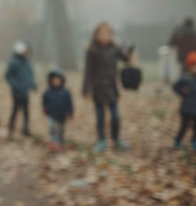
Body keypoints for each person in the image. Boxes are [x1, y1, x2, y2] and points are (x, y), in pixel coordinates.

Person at [82, 22, 134, 152]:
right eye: (101, 33)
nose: (104, 36)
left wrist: (128, 49)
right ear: (96, 35)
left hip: (112, 87)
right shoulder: (92, 50)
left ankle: (116, 139)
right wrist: (85, 88)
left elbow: (126, 59)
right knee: (100, 116)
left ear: (111, 36)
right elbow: (88, 71)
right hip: (98, 87)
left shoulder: (115, 48)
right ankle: (101, 141)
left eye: (107, 33)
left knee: (115, 116)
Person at [5, 39, 37, 139]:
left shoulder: (27, 62)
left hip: (25, 92)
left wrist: (33, 84)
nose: (27, 53)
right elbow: (8, 75)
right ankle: (11, 129)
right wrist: (16, 85)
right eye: (25, 51)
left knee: (26, 111)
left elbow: (30, 75)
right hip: (17, 92)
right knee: (15, 110)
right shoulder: (14, 62)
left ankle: (26, 130)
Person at [42, 68, 74, 152]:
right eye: (54, 80)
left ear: (62, 80)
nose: (56, 82)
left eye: (58, 80)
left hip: (62, 114)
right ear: (50, 80)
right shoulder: (48, 92)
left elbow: (69, 103)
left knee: (61, 130)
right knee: (52, 128)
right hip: (52, 113)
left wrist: (70, 112)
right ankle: (54, 142)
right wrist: (45, 108)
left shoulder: (65, 92)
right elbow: (45, 101)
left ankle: (61, 142)